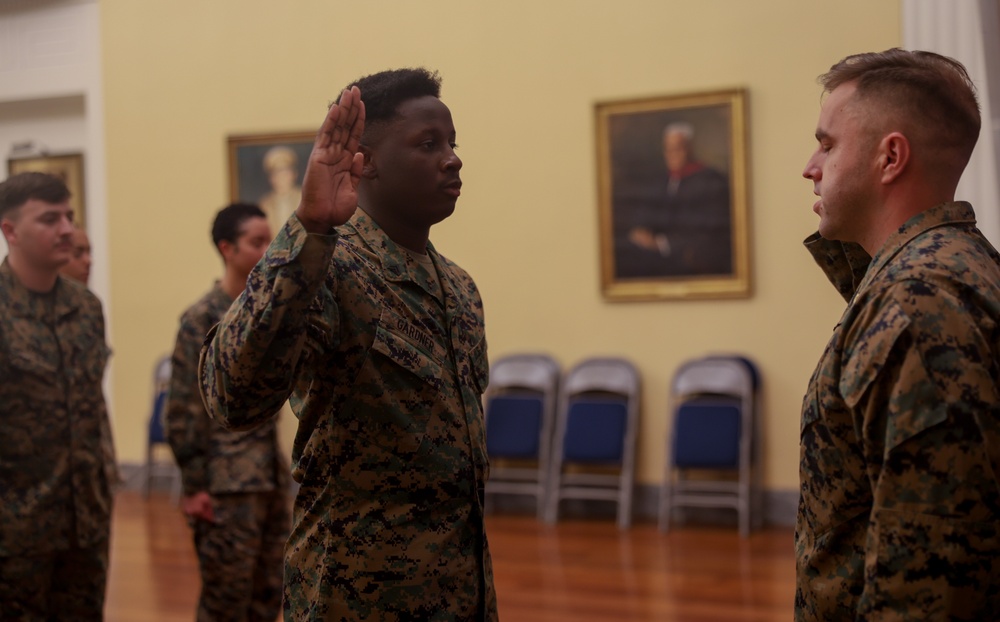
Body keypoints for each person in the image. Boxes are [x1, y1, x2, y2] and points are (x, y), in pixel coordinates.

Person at [200, 69, 497, 620]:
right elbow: (232, 396)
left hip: (460, 591)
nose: (452, 158)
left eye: (452, 143)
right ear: (366, 162)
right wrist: (307, 229)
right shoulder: (328, 267)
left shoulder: (458, 288)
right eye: (428, 144)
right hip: (357, 598)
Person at [797, 48, 1000, 620]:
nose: (811, 166)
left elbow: (931, 573)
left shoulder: (919, 300)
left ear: (890, 156)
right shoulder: (943, 270)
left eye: (828, 144)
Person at [165, 203, 289, 622]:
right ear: (227, 249)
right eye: (257, 242)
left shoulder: (266, 312)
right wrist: (194, 484)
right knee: (225, 602)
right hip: (225, 485)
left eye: (271, 240)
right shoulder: (201, 318)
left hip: (270, 479)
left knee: (269, 595)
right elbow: (182, 409)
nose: (268, 250)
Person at [0, 172, 116, 619]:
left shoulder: (86, 309)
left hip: (86, 525)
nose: (67, 229)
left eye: (69, 216)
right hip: (16, 533)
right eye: (50, 219)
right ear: (10, 231)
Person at [618, 122, 732, 279]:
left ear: (690, 149)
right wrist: (640, 230)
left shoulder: (711, 181)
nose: (672, 154)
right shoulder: (662, 181)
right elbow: (646, 215)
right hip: (657, 258)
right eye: (668, 149)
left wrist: (662, 243)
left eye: (677, 148)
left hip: (693, 259)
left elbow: (709, 233)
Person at [259, 145, 303, 237]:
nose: (282, 178)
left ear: (294, 175)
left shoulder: (305, 198)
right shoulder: (265, 204)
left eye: (286, 173)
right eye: (277, 174)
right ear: (271, 179)